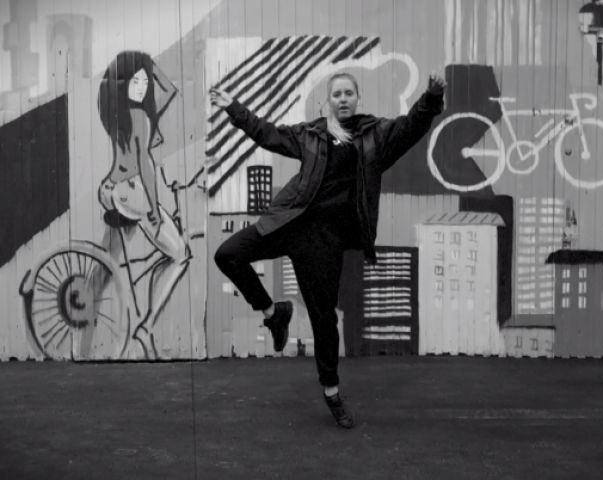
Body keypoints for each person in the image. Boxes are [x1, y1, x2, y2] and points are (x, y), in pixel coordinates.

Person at [211, 71, 446, 428]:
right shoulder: (310, 134)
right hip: (290, 223)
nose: (343, 98)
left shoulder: (376, 135)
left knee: (324, 321)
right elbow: (267, 134)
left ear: (357, 97)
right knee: (227, 255)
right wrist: (233, 107)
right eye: (337, 93)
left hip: (325, 243)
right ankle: (274, 313)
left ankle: (332, 393)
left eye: (349, 93)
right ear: (329, 100)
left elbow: (411, 127)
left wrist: (430, 97)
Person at [96, 51, 191, 359]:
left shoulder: (120, 114)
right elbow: (145, 165)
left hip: (111, 189)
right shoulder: (139, 117)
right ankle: (146, 328)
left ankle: (114, 307)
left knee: (116, 259)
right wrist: (153, 208)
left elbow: (170, 90)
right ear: (121, 84)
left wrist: (148, 66)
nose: (141, 86)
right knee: (180, 255)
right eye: (133, 81)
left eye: (145, 81)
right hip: (132, 190)